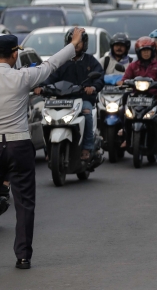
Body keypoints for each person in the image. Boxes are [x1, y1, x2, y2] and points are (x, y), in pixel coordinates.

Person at [0, 28, 85, 269]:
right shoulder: (22, 77)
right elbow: (51, 65)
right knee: (25, 203)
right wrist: (73, 44)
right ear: (14, 54)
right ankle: (23, 257)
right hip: (18, 145)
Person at [34, 28, 104, 160]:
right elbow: (50, 76)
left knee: (87, 113)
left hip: (82, 99)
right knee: (46, 119)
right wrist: (41, 87)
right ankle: (48, 149)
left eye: (79, 43)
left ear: (85, 44)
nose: (76, 45)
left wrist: (93, 87)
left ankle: (86, 148)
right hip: (61, 100)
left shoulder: (90, 61)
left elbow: (100, 77)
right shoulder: (62, 61)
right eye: (73, 42)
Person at [117, 37, 157, 151]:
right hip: (136, 97)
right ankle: (126, 135)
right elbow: (125, 77)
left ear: (152, 51)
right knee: (122, 111)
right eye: (143, 51)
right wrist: (122, 82)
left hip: (153, 97)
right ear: (138, 52)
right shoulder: (133, 65)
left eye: (148, 50)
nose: (146, 53)